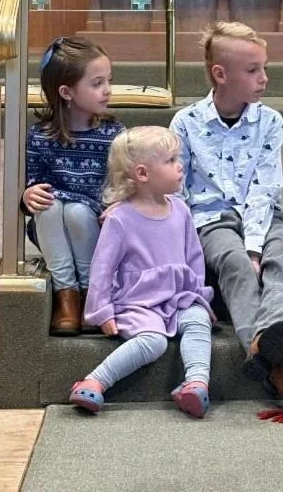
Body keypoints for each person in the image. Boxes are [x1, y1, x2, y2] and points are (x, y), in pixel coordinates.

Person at [170, 21, 283, 407]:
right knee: (234, 263)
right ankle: (273, 356)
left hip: (265, 215)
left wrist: (256, 246)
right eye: (253, 70)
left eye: (264, 68)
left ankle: (266, 342)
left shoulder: (270, 121)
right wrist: (242, 253)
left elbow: (265, 189)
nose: (264, 78)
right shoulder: (186, 122)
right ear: (220, 75)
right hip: (211, 219)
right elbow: (178, 191)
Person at [69, 126, 215, 417]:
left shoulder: (181, 210)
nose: (180, 165)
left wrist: (198, 295)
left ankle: (197, 382)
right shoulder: (120, 219)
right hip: (139, 302)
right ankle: (95, 381)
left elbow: (194, 257)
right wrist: (101, 312)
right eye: (170, 160)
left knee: (198, 321)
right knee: (153, 341)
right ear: (143, 173)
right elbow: (102, 269)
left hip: (179, 297)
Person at [22, 36, 123, 335]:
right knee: (49, 208)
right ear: (66, 92)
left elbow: (125, 185)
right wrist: (27, 195)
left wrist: (120, 204)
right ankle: (65, 295)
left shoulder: (114, 134)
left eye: (109, 80)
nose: (107, 90)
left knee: (77, 212)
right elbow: (32, 181)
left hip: (96, 224)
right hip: (54, 227)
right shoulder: (40, 136)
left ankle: (92, 292)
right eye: (97, 83)